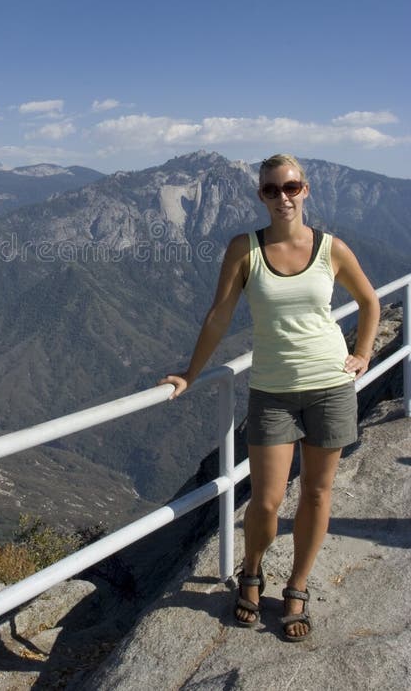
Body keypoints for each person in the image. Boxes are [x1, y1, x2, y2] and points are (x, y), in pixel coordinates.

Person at [162, 153, 380, 641]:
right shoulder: (245, 249)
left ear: (305, 190)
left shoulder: (331, 248)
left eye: (291, 187)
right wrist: (190, 374)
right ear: (260, 195)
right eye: (271, 190)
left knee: (318, 494)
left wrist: (362, 354)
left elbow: (369, 301)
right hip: (273, 392)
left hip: (329, 386)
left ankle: (298, 587)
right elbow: (220, 314)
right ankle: (252, 570)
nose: (282, 196)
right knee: (266, 501)